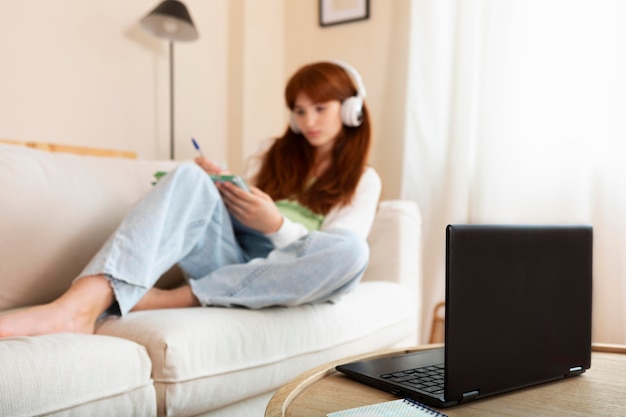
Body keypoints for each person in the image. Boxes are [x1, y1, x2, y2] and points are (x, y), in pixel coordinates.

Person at [0, 61, 381, 338]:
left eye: (320, 108)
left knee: (352, 251)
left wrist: (277, 226)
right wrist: (223, 189)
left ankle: (176, 298)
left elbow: (332, 252)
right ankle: (74, 309)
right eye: (299, 110)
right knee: (190, 175)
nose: (308, 120)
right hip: (233, 257)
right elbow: (232, 221)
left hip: (289, 276)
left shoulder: (363, 180)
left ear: (350, 109)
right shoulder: (271, 153)